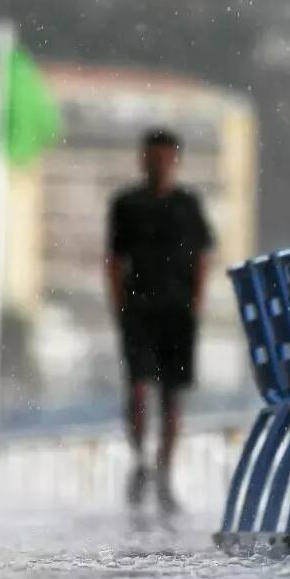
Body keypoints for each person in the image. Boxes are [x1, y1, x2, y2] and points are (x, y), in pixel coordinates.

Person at [106, 129, 214, 512]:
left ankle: (165, 473)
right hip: (138, 311)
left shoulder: (189, 204)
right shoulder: (126, 204)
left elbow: (203, 256)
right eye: (152, 158)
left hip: (178, 311)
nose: (158, 165)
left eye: (165, 158)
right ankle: (139, 460)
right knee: (137, 390)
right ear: (143, 160)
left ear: (176, 160)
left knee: (172, 397)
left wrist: (198, 302)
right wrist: (118, 306)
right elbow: (114, 260)